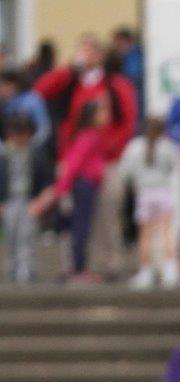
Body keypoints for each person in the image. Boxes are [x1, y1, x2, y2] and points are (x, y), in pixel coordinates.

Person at [34, 33, 138, 280]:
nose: (85, 55)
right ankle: (73, 265)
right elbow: (41, 90)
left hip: (106, 162)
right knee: (73, 217)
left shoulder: (116, 85)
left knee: (107, 212)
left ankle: (109, 263)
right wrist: (69, 68)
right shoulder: (71, 81)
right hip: (72, 159)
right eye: (82, 50)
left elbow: (128, 122)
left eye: (90, 50)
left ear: (101, 55)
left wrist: (109, 149)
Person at [28, 99, 107, 284]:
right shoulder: (86, 137)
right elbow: (73, 165)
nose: (105, 116)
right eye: (101, 112)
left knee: (84, 228)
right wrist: (61, 190)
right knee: (80, 228)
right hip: (83, 186)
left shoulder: (92, 136)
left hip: (89, 186)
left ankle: (80, 265)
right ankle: (77, 268)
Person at [118, 117, 180, 289]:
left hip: (144, 193)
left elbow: (125, 171)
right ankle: (169, 269)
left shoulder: (135, 146)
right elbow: (175, 166)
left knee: (145, 234)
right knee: (166, 232)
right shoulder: (168, 146)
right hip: (163, 192)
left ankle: (146, 271)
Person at [0, 114, 53, 283]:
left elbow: (47, 182)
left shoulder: (36, 155)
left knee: (27, 234)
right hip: (9, 201)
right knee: (12, 234)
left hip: (29, 200)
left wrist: (40, 202)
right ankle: (14, 267)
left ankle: (26, 268)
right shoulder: (4, 156)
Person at [0, 69, 51, 149]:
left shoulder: (32, 100)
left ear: (13, 84)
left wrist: (31, 145)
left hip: (31, 148)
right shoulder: (4, 103)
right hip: (7, 150)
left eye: (3, 85)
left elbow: (44, 129)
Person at [110, 28, 145, 131]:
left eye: (118, 43)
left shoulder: (134, 56)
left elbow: (133, 76)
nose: (116, 47)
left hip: (137, 98)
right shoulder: (129, 56)